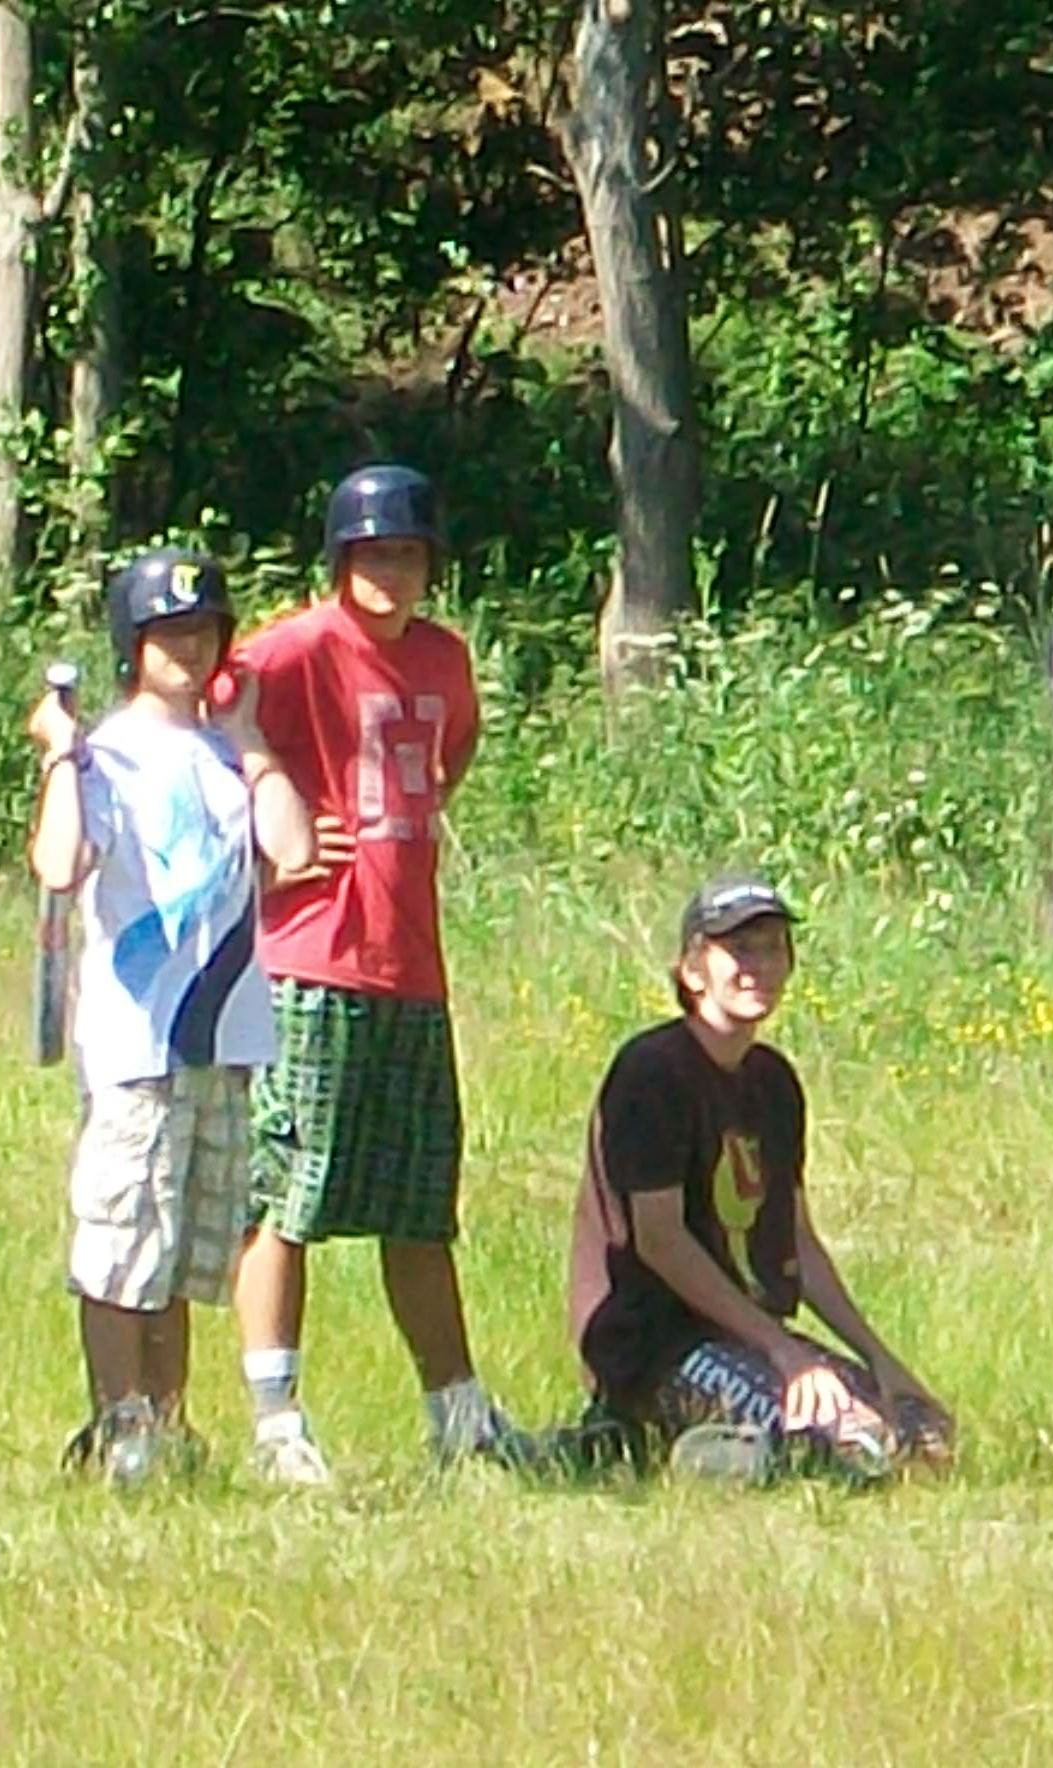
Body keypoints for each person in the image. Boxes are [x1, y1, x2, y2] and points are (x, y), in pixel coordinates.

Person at [227, 464, 528, 1483]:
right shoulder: (298, 646)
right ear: (338, 560)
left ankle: (458, 1414)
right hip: (312, 959)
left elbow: (449, 760)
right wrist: (271, 815)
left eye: (405, 554)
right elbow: (206, 708)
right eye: (370, 554)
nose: (389, 572)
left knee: (417, 1201)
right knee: (288, 1194)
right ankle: (277, 1419)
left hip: (410, 963)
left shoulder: (444, 657)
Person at [25, 548, 321, 1485]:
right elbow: (59, 864)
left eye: (201, 631)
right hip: (136, 1042)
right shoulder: (107, 755)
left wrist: (252, 741)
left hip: (221, 1039)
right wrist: (61, 753)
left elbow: (293, 848)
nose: (187, 649)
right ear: (132, 645)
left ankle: (167, 1418)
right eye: (166, 635)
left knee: (188, 1246)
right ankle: (119, 1420)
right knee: (122, 1241)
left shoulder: (226, 755)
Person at [568, 875, 953, 1483]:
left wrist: (880, 1359)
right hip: (658, 1343)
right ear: (693, 970)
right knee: (854, 1444)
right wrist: (785, 1353)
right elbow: (660, 1240)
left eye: (774, 948)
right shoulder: (653, 1073)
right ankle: (653, 1439)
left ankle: (731, 1450)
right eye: (740, 950)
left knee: (920, 1435)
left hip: (747, 1333)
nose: (760, 966)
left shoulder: (773, 1082)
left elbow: (797, 1239)